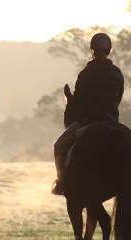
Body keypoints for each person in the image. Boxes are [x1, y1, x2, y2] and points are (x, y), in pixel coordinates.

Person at [51, 33, 125, 195]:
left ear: (92, 50)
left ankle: (62, 183)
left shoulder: (85, 74)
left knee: (59, 146)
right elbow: (118, 98)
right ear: (109, 50)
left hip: (89, 120)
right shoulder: (117, 73)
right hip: (112, 121)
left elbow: (77, 102)